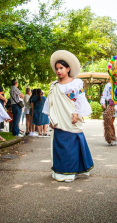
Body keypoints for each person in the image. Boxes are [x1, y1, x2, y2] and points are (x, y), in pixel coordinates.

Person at [43, 50, 93, 182]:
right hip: (59, 120)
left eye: (61, 68)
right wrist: (50, 118)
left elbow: (81, 98)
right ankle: (61, 172)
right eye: (57, 68)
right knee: (61, 146)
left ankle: (72, 172)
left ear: (68, 68)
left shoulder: (76, 83)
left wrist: (77, 112)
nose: (58, 71)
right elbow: (51, 104)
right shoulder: (54, 86)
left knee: (72, 146)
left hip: (71, 118)